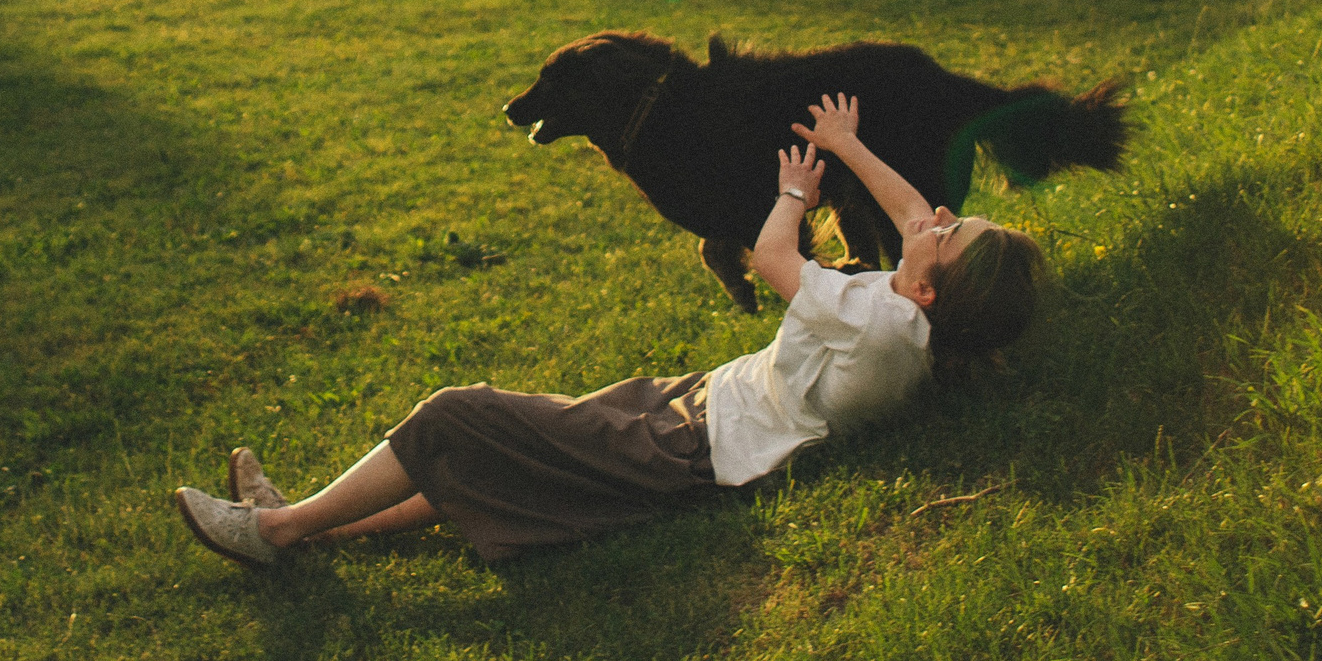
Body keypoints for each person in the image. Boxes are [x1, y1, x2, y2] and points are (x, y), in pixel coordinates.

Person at [173, 92, 1046, 567]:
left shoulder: (877, 319)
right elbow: (906, 210)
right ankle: (312, 526)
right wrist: (849, 143)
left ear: (929, 290)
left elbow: (774, 259)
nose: (932, 215)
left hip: (693, 446)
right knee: (502, 459)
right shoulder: (920, 321)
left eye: (946, 231)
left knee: (457, 417)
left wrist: (793, 193)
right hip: (705, 406)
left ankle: (275, 535)